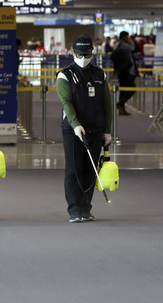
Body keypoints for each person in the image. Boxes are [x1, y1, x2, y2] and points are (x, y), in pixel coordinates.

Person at [56, 34, 113, 223]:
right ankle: (74, 208)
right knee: (74, 169)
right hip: (73, 130)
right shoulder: (64, 75)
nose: (83, 58)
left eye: (87, 55)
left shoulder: (100, 74)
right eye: (79, 55)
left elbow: (107, 104)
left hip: (95, 128)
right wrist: (75, 124)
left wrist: (107, 130)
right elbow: (66, 103)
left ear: (92, 54)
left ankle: (85, 208)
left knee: (90, 169)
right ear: (73, 53)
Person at [114, 31, 139, 115]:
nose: (129, 38)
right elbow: (132, 48)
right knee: (132, 89)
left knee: (123, 90)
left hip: (122, 71)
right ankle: (120, 104)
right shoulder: (124, 45)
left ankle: (122, 109)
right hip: (126, 71)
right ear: (124, 37)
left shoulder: (118, 45)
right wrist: (131, 41)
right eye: (128, 37)